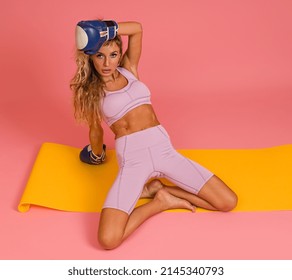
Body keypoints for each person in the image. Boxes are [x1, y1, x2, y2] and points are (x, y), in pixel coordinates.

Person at [70, 20, 238, 250]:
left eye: (113, 54)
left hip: (164, 149)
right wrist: (96, 156)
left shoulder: (129, 69)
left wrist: (106, 31)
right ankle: (160, 202)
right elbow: (96, 132)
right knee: (108, 240)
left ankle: (161, 189)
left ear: (120, 55)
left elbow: (137, 29)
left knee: (228, 202)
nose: (107, 63)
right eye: (100, 56)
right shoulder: (91, 92)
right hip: (133, 159)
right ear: (91, 57)